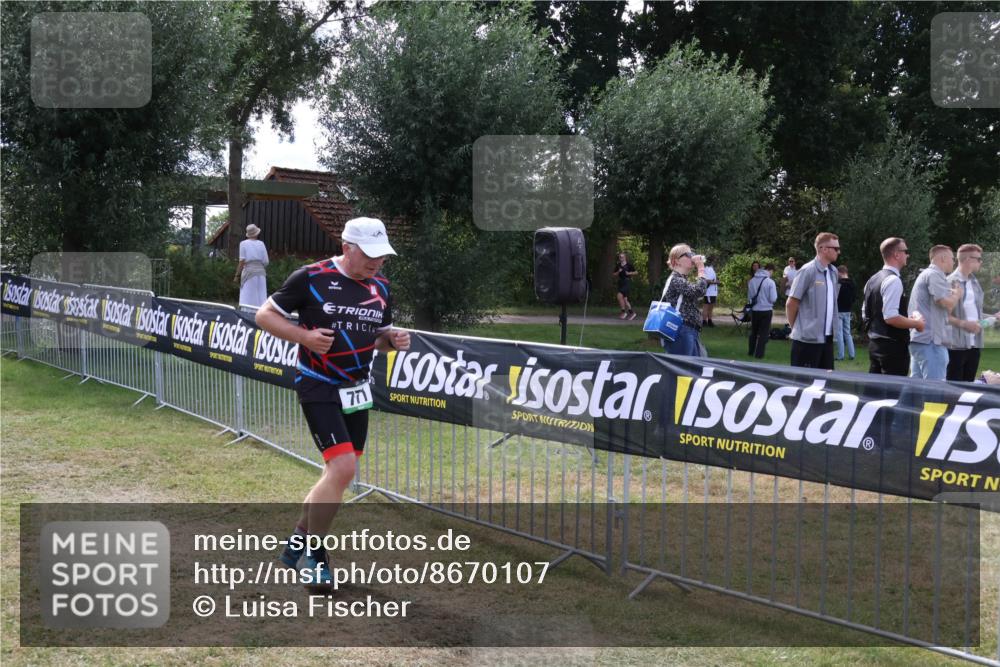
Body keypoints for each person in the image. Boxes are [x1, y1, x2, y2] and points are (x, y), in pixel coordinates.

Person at [255, 217, 410, 585]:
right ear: (347, 248)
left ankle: (296, 545)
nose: (377, 263)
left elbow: (375, 338)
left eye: (383, 256)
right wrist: (303, 338)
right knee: (342, 471)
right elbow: (264, 316)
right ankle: (315, 557)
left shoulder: (382, 286)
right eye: (370, 255)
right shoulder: (312, 276)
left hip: (356, 388)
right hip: (318, 383)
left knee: (336, 476)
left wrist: (395, 341)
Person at [862, 237, 925, 375]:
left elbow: (865, 313)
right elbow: (890, 317)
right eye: (905, 251)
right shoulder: (893, 280)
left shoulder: (872, 279)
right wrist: (916, 323)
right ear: (896, 254)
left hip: (875, 344)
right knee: (892, 393)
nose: (907, 255)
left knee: (875, 392)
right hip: (892, 347)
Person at [786, 233, 840, 370]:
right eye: (836, 248)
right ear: (823, 249)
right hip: (806, 341)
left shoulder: (833, 272)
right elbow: (791, 303)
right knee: (803, 386)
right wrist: (798, 329)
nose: (839, 252)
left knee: (825, 385)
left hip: (827, 340)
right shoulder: (807, 271)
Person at [909, 245, 963, 380]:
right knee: (935, 390)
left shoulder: (926, 274)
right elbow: (943, 302)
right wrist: (956, 295)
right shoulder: (935, 274)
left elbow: (945, 308)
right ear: (943, 258)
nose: (953, 262)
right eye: (952, 258)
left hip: (921, 339)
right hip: (931, 341)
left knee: (915, 387)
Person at [945, 243, 986, 381]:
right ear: (968, 259)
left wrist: (994, 317)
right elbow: (942, 315)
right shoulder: (949, 282)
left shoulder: (975, 282)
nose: (981, 262)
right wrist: (964, 324)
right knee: (951, 390)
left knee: (968, 390)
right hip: (955, 346)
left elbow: (975, 313)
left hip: (975, 345)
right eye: (979, 259)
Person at [660, 244, 708, 356]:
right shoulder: (676, 279)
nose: (693, 257)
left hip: (688, 330)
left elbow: (698, 293)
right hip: (681, 330)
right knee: (682, 370)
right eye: (688, 254)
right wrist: (701, 268)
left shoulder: (681, 280)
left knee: (692, 370)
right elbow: (699, 291)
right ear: (676, 261)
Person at [747, 263, 778, 358]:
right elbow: (773, 298)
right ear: (770, 270)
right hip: (766, 310)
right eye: (772, 272)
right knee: (763, 333)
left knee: (754, 332)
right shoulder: (770, 282)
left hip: (755, 310)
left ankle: (751, 351)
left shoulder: (752, 281)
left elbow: (749, 297)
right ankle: (759, 354)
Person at [234, 224, 269, 307]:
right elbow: (266, 261)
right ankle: (261, 316)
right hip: (261, 273)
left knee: (248, 298)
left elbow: (241, 261)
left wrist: (237, 275)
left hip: (249, 273)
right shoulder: (261, 244)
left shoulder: (243, 244)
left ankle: (247, 316)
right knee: (261, 297)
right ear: (257, 233)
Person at [834, 265, 856, 361]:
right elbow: (854, 298)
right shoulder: (853, 283)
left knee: (839, 333)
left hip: (839, 311)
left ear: (840, 272)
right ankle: (852, 354)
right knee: (848, 333)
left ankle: (840, 355)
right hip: (848, 310)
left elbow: (835, 297)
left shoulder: (838, 283)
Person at [614, 252, 638, 320]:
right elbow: (614, 274)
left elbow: (636, 272)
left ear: (625, 257)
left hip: (627, 282)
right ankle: (632, 313)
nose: (621, 258)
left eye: (622, 257)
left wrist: (629, 273)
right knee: (625, 299)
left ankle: (623, 312)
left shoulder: (629, 265)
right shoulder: (618, 265)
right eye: (620, 257)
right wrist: (618, 272)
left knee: (619, 295)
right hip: (621, 282)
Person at [702, 256, 719, 327]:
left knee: (711, 307)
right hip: (709, 292)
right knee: (706, 307)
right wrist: (716, 282)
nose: (716, 262)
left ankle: (709, 321)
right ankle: (704, 321)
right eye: (715, 261)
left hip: (712, 292)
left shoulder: (711, 269)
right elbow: (707, 280)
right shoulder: (708, 269)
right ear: (712, 261)